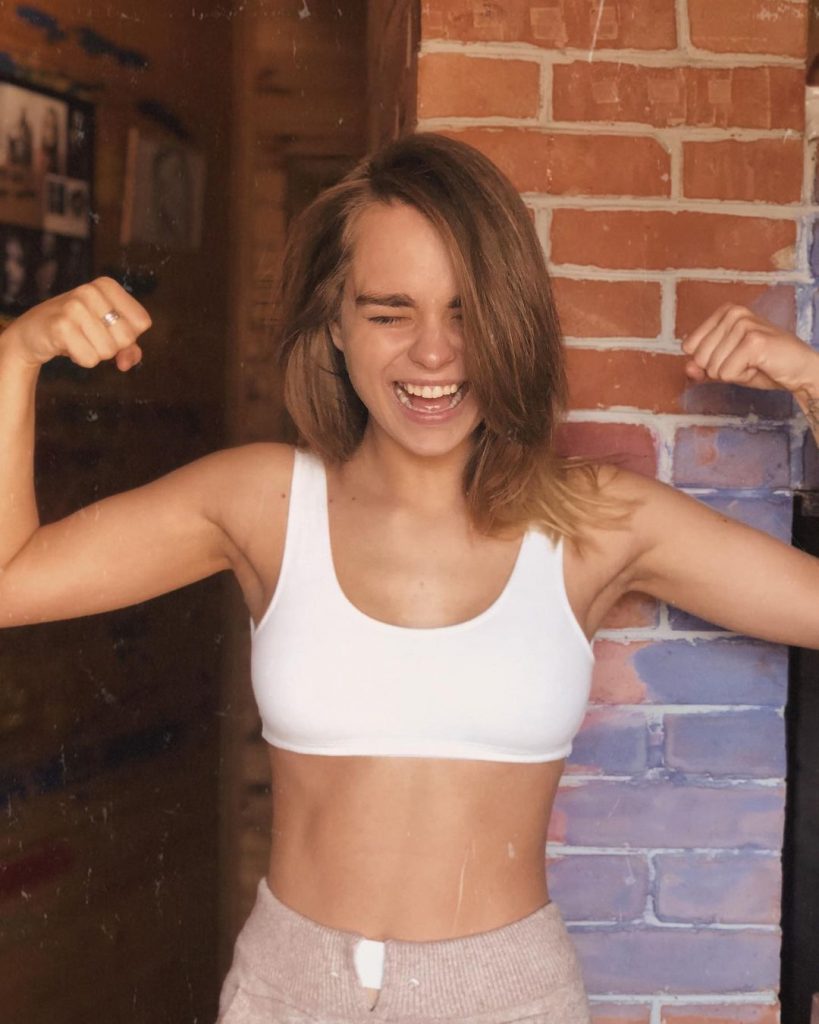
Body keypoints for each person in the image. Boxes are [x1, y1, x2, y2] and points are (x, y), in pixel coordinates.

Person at [1, 133, 818, 1023]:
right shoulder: (260, 501)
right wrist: (17, 355)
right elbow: (12, 581)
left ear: (511, 323)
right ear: (334, 323)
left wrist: (812, 382)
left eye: (466, 313)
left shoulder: (593, 519)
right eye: (391, 313)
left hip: (506, 1003)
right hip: (287, 996)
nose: (434, 354)